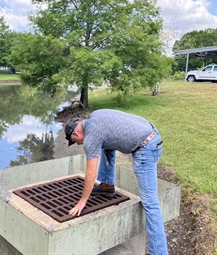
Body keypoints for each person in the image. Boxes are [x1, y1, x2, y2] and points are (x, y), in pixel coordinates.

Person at [64, 109, 168, 255]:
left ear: (75, 134)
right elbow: (110, 136)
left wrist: (82, 201)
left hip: (146, 147)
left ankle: (159, 252)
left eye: (75, 142)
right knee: (106, 145)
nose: (79, 144)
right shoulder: (95, 117)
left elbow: (91, 173)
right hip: (151, 134)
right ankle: (107, 185)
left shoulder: (91, 137)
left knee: (150, 202)